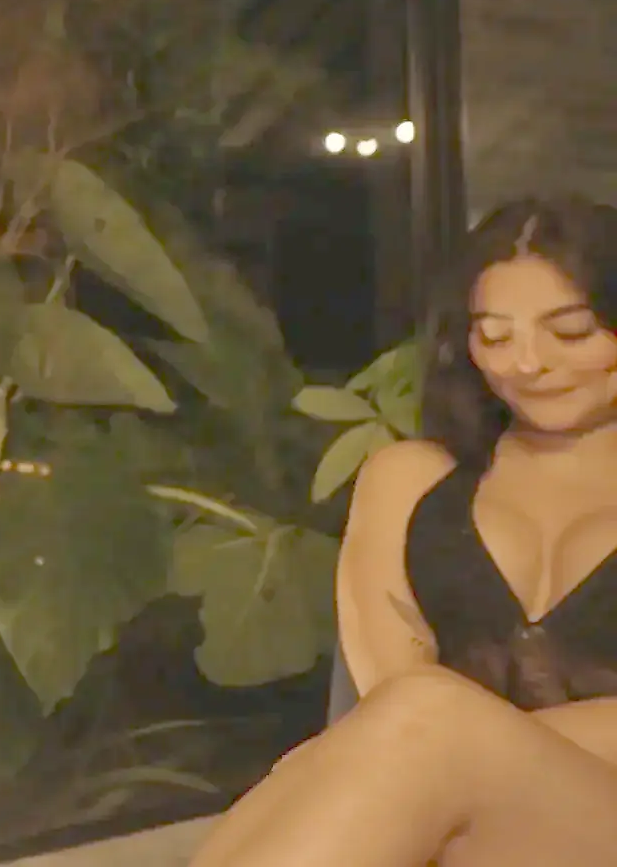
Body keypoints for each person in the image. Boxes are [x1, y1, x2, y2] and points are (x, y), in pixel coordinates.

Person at [188, 194, 617, 867]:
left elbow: (413, 725)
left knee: (413, 725)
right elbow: (391, 701)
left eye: (571, 331)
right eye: (494, 336)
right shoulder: (411, 482)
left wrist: (462, 737)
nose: (527, 363)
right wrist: (436, 741)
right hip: (468, 824)